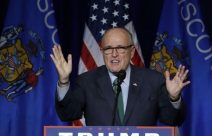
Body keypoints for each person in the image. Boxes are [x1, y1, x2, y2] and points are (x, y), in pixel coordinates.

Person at [51, 27, 190, 126]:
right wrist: (63, 82)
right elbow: (67, 114)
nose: (114, 54)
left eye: (121, 48)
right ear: (102, 51)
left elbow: (172, 120)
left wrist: (174, 98)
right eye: (108, 49)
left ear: (132, 51)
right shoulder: (87, 81)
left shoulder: (153, 81)